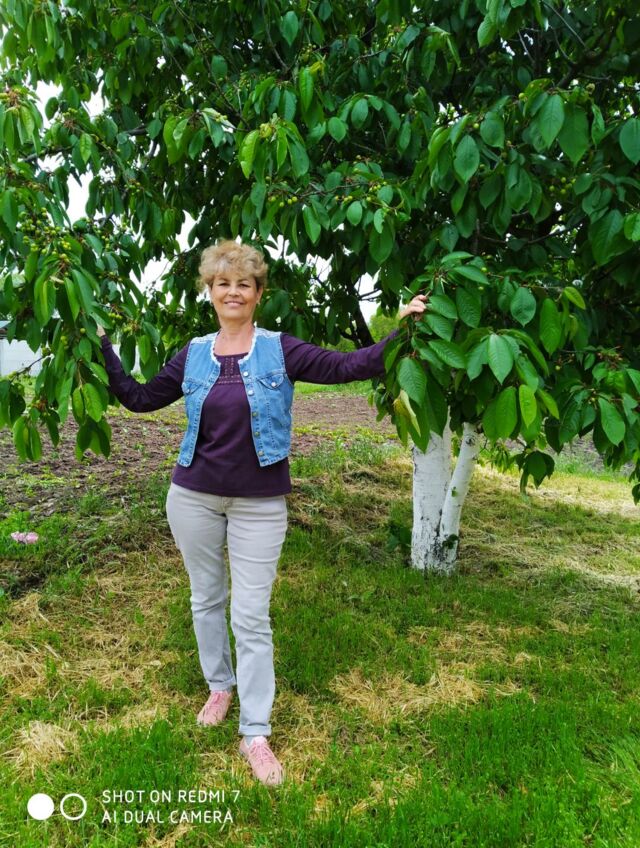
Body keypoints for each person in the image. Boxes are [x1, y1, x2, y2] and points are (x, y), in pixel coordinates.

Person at [97, 239, 427, 786]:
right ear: (210, 291)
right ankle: (219, 687)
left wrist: (404, 330)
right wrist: (103, 348)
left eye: (244, 284)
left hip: (259, 504)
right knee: (207, 598)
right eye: (223, 283)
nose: (233, 292)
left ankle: (255, 732)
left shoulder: (280, 349)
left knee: (251, 616)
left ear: (257, 293)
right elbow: (138, 398)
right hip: (193, 497)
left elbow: (350, 365)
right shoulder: (192, 354)